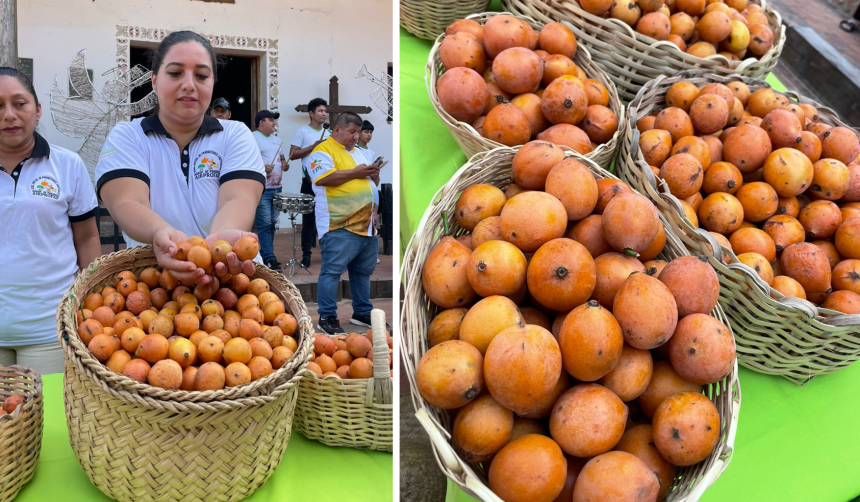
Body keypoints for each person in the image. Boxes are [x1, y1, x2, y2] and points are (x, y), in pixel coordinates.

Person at [96, 31, 265, 287]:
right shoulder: (128, 136)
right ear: (154, 80)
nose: (189, 84)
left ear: (212, 82)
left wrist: (217, 245)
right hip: (155, 288)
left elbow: (239, 197)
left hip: (233, 278)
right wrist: (160, 234)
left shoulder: (235, 134)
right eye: (175, 73)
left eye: (201, 75)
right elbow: (127, 201)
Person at [0, 67, 102, 374]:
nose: (9, 115)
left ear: (37, 109)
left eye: (20, 103)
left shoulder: (67, 165)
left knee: (50, 420)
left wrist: (92, 304)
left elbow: (86, 238)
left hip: (51, 329)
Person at [309, 112, 381, 334]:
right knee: (332, 271)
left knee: (362, 272)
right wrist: (356, 173)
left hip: (367, 224)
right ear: (337, 130)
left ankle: (361, 312)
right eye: (352, 132)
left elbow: (369, 182)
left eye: (358, 132)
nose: (355, 136)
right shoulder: (322, 151)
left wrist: (373, 175)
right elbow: (322, 178)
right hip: (339, 223)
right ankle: (327, 316)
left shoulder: (360, 153)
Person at [289, 97, 329, 269]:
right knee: (308, 221)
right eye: (320, 111)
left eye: (325, 111)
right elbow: (292, 154)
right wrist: (313, 146)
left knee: (327, 219)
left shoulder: (329, 134)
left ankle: (328, 253)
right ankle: (306, 255)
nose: (324, 114)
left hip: (326, 181)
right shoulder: (302, 132)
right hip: (308, 182)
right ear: (311, 113)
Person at [253, 109, 288, 269]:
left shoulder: (277, 140)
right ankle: (269, 257)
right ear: (261, 122)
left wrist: (285, 165)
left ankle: (267, 253)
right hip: (262, 188)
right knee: (265, 223)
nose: (274, 122)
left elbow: (281, 159)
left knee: (272, 223)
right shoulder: (252, 138)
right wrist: (262, 167)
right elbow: (246, 161)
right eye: (271, 120)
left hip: (277, 188)